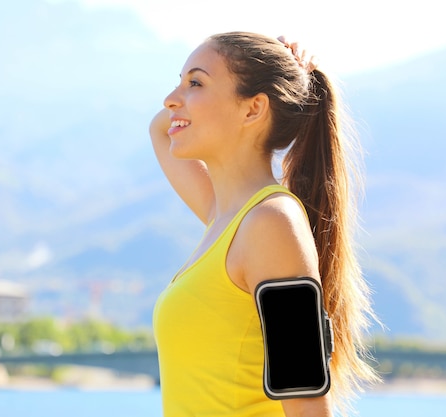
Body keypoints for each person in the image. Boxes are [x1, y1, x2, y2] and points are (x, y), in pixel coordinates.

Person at [150, 32, 379, 417]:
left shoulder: (271, 224)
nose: (172, 98)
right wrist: (288, 75)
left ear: (253, 109)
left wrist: (288, 77)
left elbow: (307, 403)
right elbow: (161, 128)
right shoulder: (224, 219)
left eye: (196, 83)